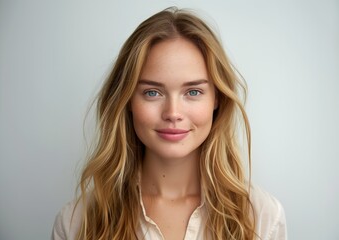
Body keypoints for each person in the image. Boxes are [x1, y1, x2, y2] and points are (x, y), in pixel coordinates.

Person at [52, 7, 287, 240]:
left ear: (217, 98)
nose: (173, 113)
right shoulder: (76, 223)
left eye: (193, 91)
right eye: (153, 92)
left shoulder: (262, 217)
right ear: (127, 100)